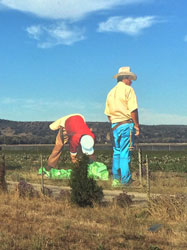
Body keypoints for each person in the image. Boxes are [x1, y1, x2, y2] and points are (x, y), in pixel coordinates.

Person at [104, 66, 140, 186]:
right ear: (126, 78)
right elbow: (133, 110)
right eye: (130, 79)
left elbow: (108, 114)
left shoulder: (110, 92)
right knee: (125, 153)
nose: (131, 82)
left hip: (114, 126)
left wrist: (115, 121)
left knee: (117, 153)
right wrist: (136, 125)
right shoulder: (128, 90)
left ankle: (116, 179)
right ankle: (126, 181)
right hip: (126, 124)